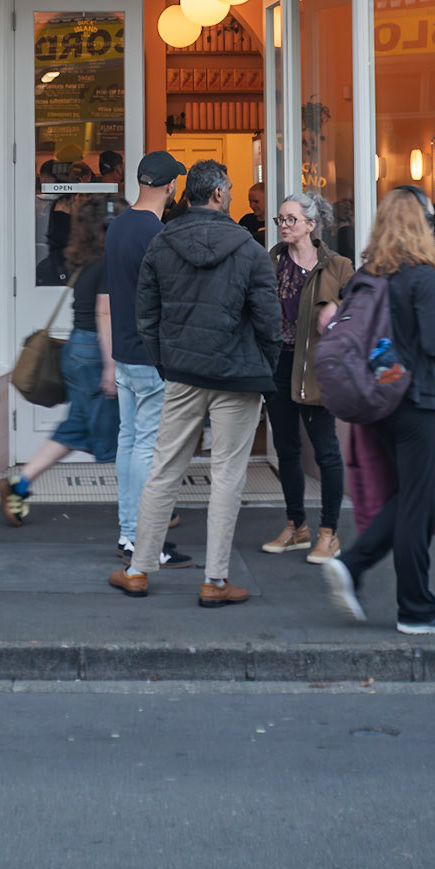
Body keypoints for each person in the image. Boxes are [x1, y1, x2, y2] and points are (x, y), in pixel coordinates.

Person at [110, 159, 281, 608]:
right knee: (227, 476)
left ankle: (138, 570)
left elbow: (147, 314)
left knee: (163, 470)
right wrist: (264, 366)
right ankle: (215, 580)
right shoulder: (249, 249)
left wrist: (166, 363)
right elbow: (270, 320)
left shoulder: (162, 242)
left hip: (183, 372)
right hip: (238, 375)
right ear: (219, 194)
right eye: (230, 188)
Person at [323, 188, 435, 636]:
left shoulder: (368, 275)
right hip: (416, 399)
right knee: (418, 504)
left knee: (411, 499)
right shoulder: (420, 275)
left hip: (381, 399)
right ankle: (415, 607)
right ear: (419, 223)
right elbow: (432, 342)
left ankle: (356, 566)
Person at [0, 197, 121, 523]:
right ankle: (148, 508)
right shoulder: (109, 260)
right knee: (123, 436)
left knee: (76, 428)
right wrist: (111, 367)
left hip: (77, 348)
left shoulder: (85, 259)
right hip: (95, 353)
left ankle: (19, 483)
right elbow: (105, 312)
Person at [105, 151, 192, 565]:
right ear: (171, 185)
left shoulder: (118, 226)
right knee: (146, 448)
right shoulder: (157, 233)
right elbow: (170, 296)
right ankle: (145, 541)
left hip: (124, 351)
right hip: (150, 355)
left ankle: (128, 534)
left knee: (128, 442)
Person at [261, 190, 352, 563]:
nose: (283, 225)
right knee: (287, 449)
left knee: (326, 450)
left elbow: (360, 311)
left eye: (291, 219)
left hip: (317, 368)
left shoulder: (338, 266)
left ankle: (329, 533)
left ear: (312, 225)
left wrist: (337, 309)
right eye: (280, 219)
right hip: (279, 365)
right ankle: (296, 526)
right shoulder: (270, 261)